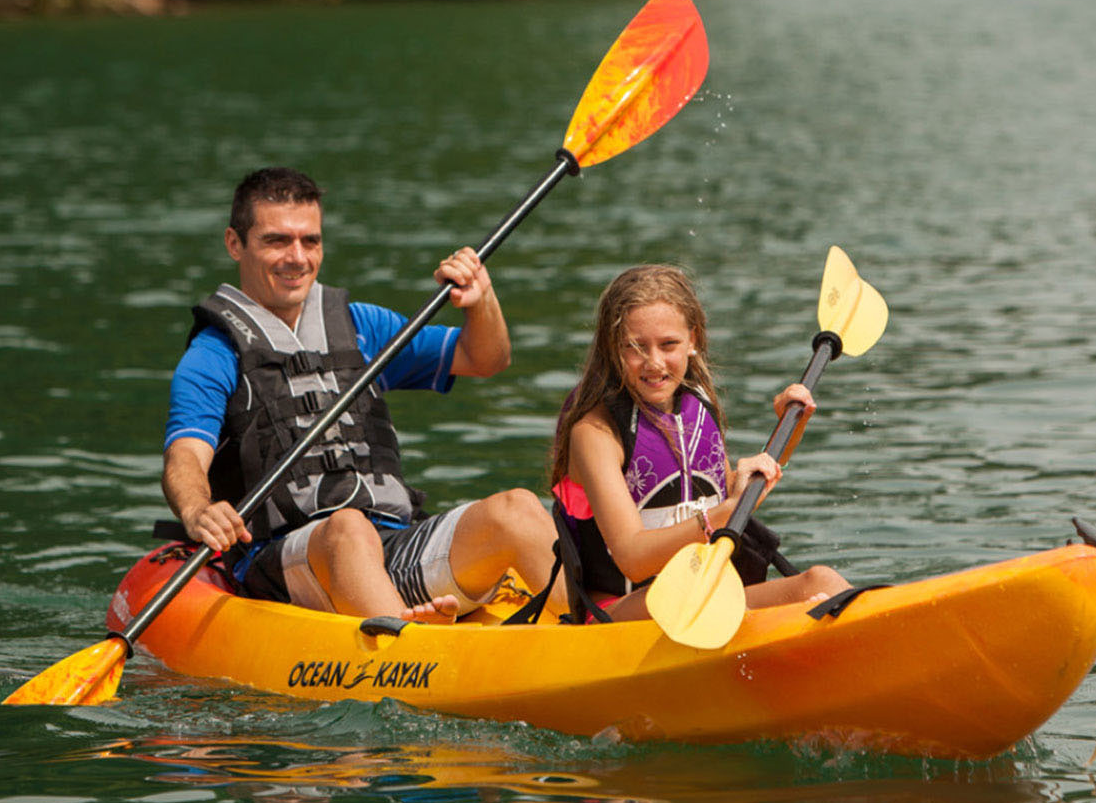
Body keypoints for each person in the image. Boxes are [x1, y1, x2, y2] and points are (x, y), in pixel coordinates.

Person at [162, 166, 559, 624]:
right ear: (236, 244)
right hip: (287, 558)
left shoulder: (362, 327)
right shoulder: (214, 354)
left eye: (310, 241)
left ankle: (600, 628)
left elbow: (483, 359)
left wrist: (481, 299)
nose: (297, 257)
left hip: (392, 544)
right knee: (347, 527)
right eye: (277, 241)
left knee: (518, 509)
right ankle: (411, 649)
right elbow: (186, 456)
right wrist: (197, 509)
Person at [546, 264, 849, 622]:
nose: (654, 362)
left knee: (822, 581)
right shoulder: (596, 433)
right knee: (693, 596)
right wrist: (721, 515)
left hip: (704, 590)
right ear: (614, 348)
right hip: (623, 610)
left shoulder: (697, 405)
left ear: (694, 339)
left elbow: (726, 493)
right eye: (636, 347)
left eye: (668, 344)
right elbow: (632, 556)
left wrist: (792, 424)